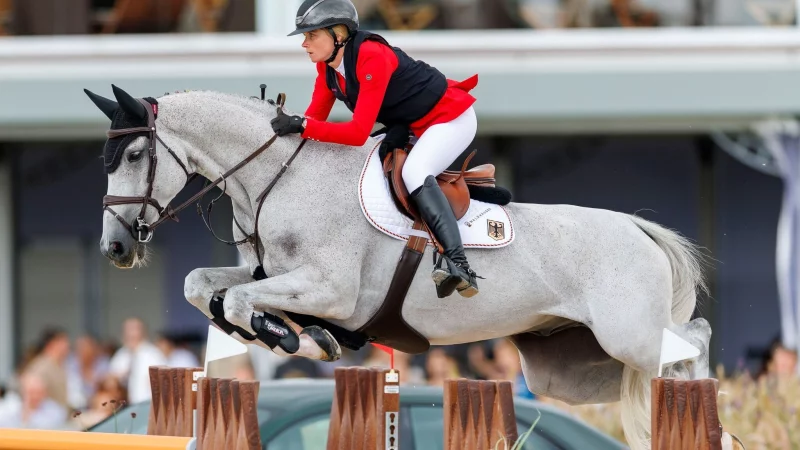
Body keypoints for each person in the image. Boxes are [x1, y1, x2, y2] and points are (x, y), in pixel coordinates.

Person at [270, 0, 481, 298]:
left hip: (449, 118)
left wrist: (301, 126)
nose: (304, 44)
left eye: (311, 35)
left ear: (339, 34)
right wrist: (282, 132)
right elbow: (314, 120)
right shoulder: (327, 67)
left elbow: (356, 133)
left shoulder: (371, 54)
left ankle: (459, 265)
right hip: (410, 125)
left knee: (415, 172)